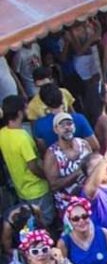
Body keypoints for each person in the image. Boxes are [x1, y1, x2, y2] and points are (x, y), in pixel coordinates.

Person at [0, 96, 55, 226]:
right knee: (46, 222)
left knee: (31, 223)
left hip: (21, 188)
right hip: (37, 188)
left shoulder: (2, 133)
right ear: (19, 113)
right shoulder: (22, 138)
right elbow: (33, 166)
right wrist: (47, 177)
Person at [43, 113, 92, 216]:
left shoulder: (84, 144)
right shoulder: (52, 154)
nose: (67, 128)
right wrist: (78, 173)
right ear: (56, 130)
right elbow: (54, 185)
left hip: (90, 196)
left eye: (69, 124)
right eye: (62, 125)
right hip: (69, 205)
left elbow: (93, 165)